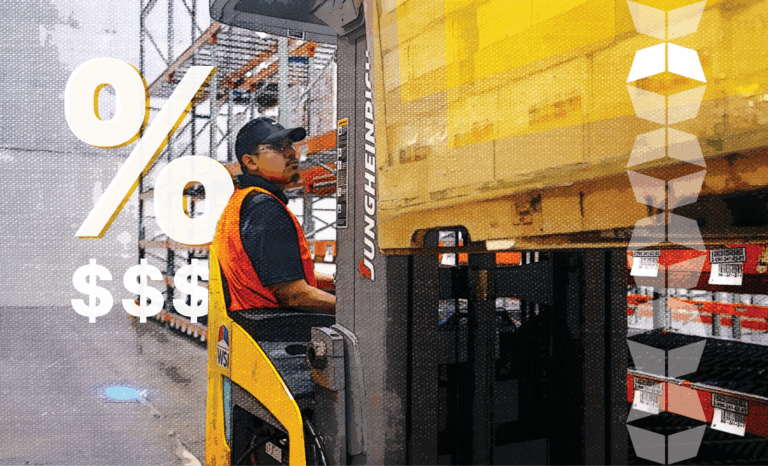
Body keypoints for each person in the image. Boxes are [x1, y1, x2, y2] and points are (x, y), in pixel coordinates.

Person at [212, 117, 335, 315]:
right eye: (277, 147)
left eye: (289, 145)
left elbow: (284, 276)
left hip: (251, 319)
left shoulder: (245, 200)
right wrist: (354, 311)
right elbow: (294, 296)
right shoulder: (266, 209)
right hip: (275, 324)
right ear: (251, 162)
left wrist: (338, 282)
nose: (290, 152)